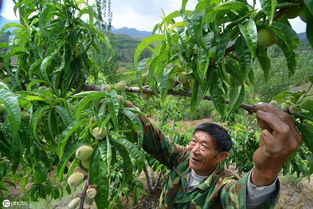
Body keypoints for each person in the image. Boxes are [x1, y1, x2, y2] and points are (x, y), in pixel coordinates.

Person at [127, 102, 302, 209]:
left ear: (220, 156)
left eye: (204, 145)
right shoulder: (181, 158)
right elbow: (153, 139)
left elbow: (240, 199)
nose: (194, 149)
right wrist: (125, 109)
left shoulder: (222, 184)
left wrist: (265, 171)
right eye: (194, 141)